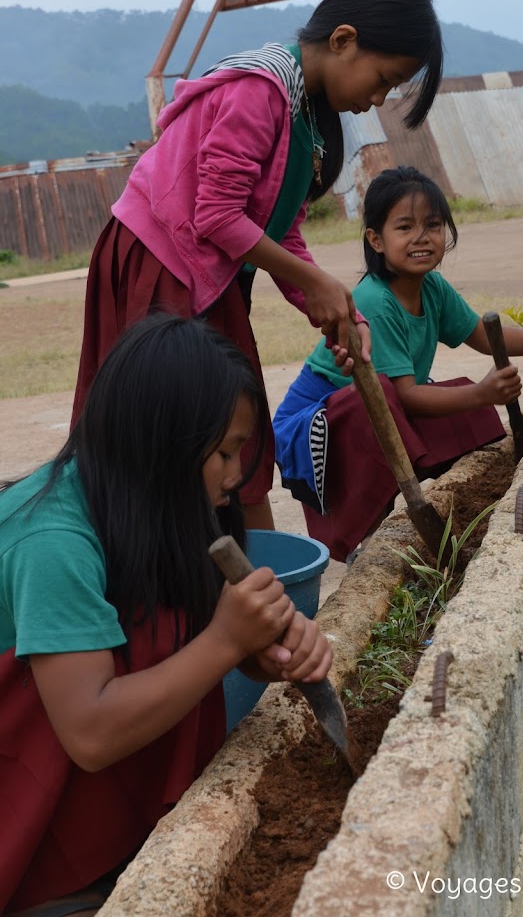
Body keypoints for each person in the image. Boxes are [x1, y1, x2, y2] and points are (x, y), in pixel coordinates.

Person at [71, 0, 445, 532]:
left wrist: (336, 309)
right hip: (159, 263)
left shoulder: (306, 116)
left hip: (209, 270)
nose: (377, 99)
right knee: (176, 437)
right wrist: (318, 283)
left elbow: (279, 231)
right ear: (344, 41)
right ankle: (172, 582)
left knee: (236, 429)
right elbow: (217, 214)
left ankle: (262, 576)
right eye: (383, 79)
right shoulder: (260, 89)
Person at [0, 315, 331, 917]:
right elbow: (91, 733)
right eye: (225, 452)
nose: (237, 476)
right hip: (23, 819)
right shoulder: (51, 541)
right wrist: (227, 640)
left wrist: (263, 651)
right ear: (163, 444)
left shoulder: (158, 499)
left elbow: (185, 634)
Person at [273, 167, 523, 562]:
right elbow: (404, 396)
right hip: (317, 427)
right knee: (394, 397)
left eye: (433, 225)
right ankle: (367, 539)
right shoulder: (375, 302)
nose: (422, 237)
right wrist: (483, 392)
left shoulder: (431, 287)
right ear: (376, 240)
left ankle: (455, 498)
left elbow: (484, 336)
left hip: (383, 407)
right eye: (405, 227)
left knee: (462, 403)